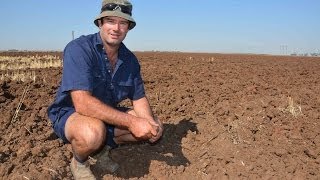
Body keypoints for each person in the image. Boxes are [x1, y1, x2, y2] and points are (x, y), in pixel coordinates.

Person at [47, 0, 163, 179]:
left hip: (107, 114)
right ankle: (80, 162)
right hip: (71, 113)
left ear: (128, 27)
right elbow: (82, 103)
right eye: (110, 21)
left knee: (153, 124)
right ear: (100, 23)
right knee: (92, 132)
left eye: (122, 22)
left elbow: (138, 98)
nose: (116, 28)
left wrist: (149, 125)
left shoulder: (129, 60)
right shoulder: (79, 49)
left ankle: (101, 151)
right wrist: (132, 123)